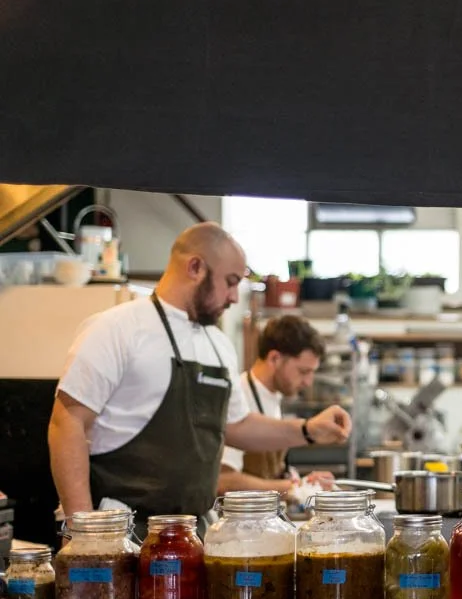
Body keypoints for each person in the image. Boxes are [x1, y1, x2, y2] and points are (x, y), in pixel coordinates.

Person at [48, 221, 351, 528]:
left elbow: (238, 425)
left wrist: (308, 430)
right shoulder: (116, 329)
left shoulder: (218, 345)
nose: (234, 297)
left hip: (194, 532)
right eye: (230, 282)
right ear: (195, 267)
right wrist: (84, 530)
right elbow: (67, 422)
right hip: (122, 531)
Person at [219, 315, 335, 497]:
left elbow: (270, 471)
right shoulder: (239, 398)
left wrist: (302, 481)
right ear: (274, 359)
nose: (308, 382)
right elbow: (224, 481)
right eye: (303, 371)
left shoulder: (273, 397)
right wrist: (292, 487)